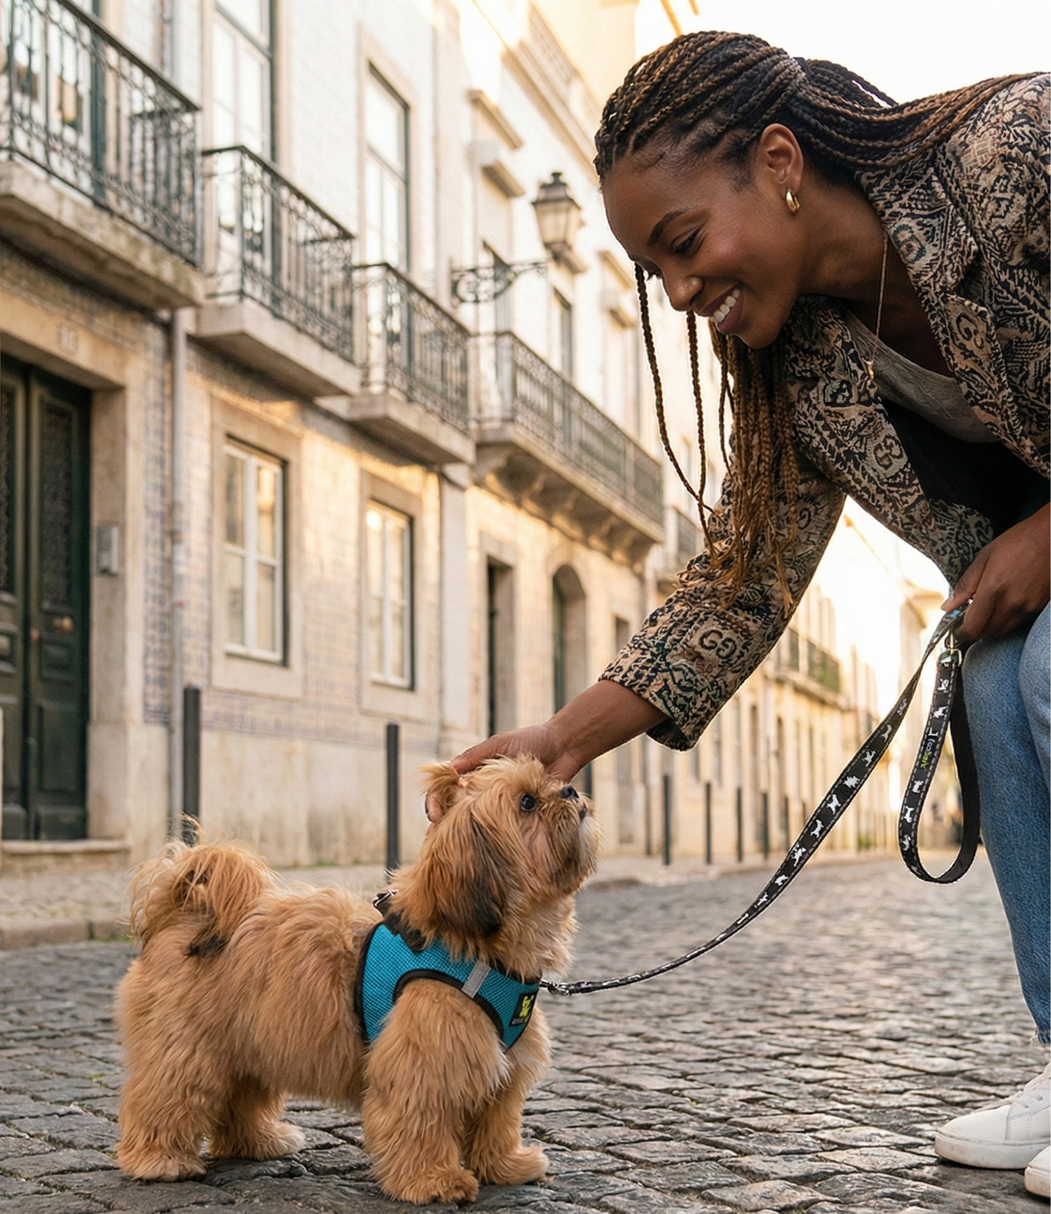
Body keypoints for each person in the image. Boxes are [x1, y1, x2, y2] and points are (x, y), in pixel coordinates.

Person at [435, 33, 1050, 1197]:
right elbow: (740, 579)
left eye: (680, 244)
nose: (678, 293)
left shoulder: (1018, 153)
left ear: (777, 159)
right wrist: (558, 745)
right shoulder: (800, 360)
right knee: (995, 669)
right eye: (652, 274)